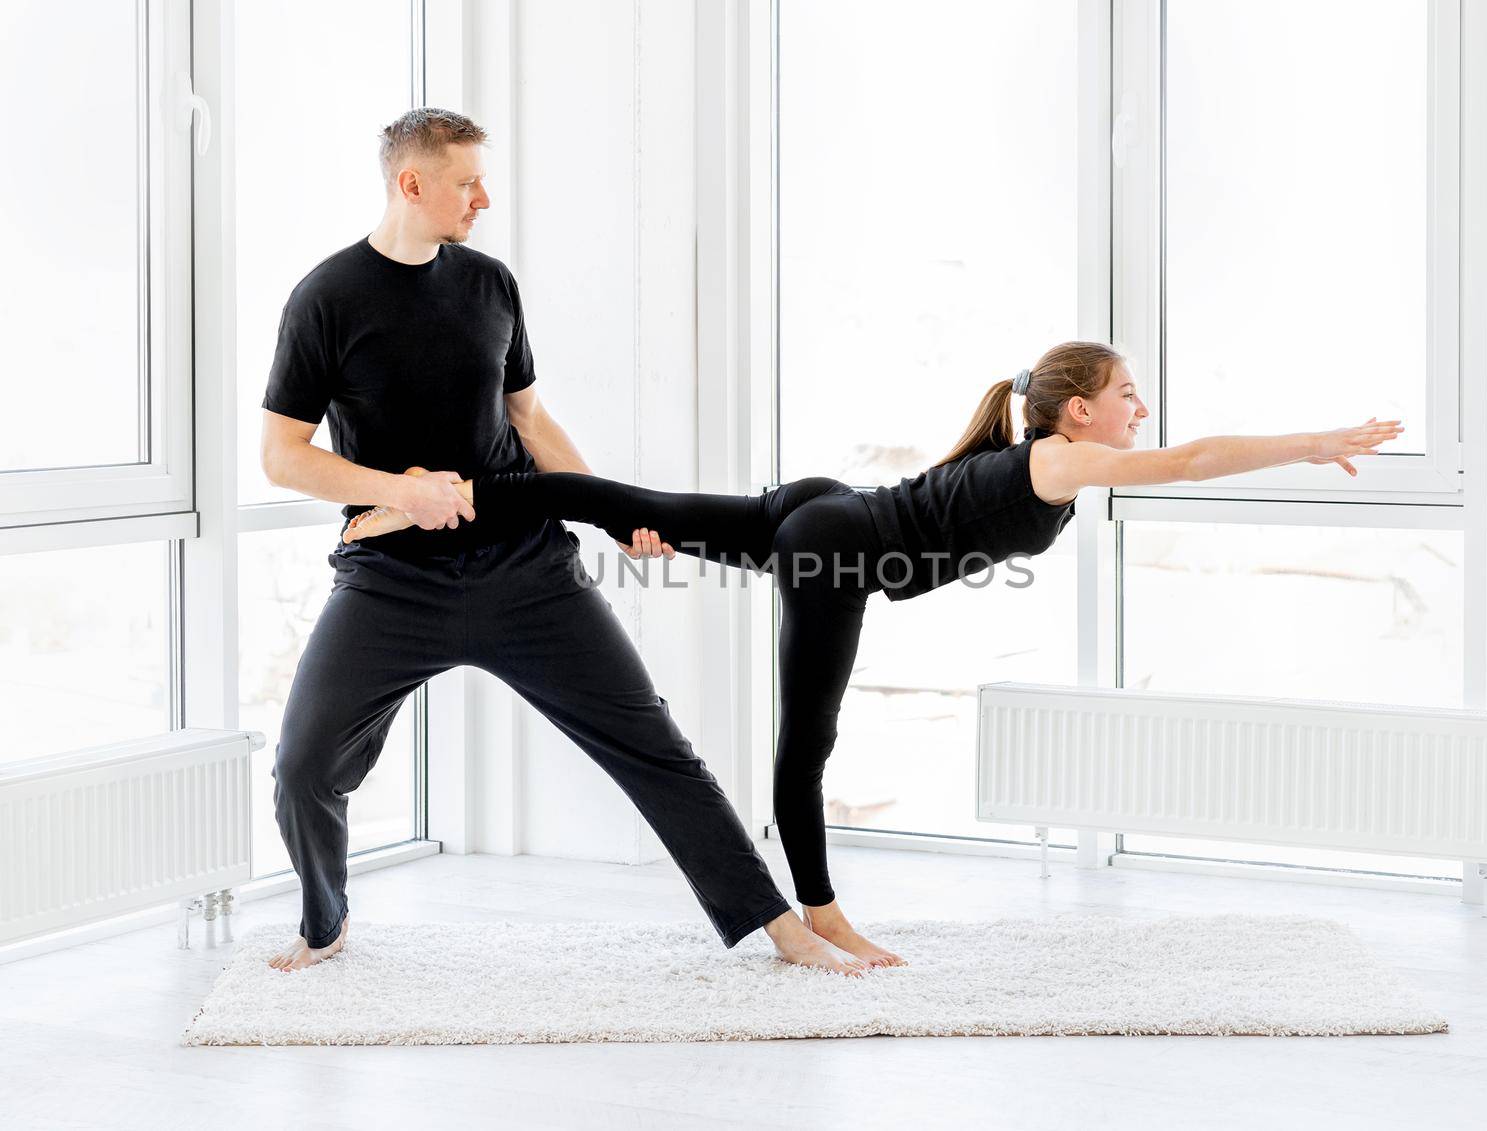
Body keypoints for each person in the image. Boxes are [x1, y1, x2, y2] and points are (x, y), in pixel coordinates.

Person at [340, 341, 1405, 966]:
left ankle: (425, 497)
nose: (1142, 411)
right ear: (1080, 411)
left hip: (826, 512)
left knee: (631, 504)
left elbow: (1175, 449)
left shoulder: (1042, 451)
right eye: (1129, 394)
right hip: (835, 542)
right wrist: (1311, 441)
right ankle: (820, 913)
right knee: (808, 736)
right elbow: (1194, 459)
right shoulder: (1063, 458)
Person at [260, 107, 871, 977]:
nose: (484, 196)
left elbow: (530, 420)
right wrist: (402, 491)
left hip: (527, 568)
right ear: (412, 184)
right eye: (468, 180)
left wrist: (615, 512)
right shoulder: (326, 299)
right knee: (303, 766)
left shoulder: (488, 284)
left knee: (655, 747)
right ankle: (325, 923)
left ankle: (780, 926)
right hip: (392, 578)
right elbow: (283, 456)